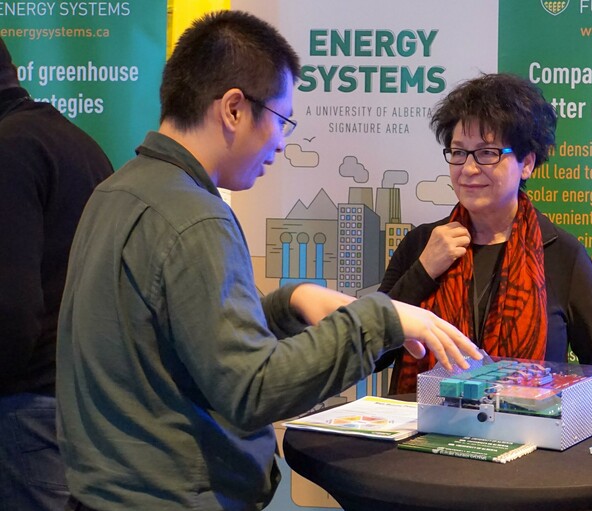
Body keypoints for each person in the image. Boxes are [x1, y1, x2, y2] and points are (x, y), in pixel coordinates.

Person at [56, 11, 480, 511]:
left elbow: (189, 341)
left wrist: (289, 303)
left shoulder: (118, 190)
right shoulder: (195, 218)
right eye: (282, 120)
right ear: (234, 108)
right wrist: (378, 318)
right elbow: (251, 388)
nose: (282, 142)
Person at [375, 73, 592, 399]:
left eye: (487, 153)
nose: (467, 169)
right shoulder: (422, 244)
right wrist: (422, 272)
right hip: (421, 439)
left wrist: (546, 406)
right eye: (458, 152)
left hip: (528, 441)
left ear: (527, 163)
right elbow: (372, 354)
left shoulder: (560, 253)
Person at [0, 38, 113, 511]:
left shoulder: (10, 151)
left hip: (28, 410)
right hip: (87, 404)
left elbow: (13, 313)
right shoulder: (78, 142)